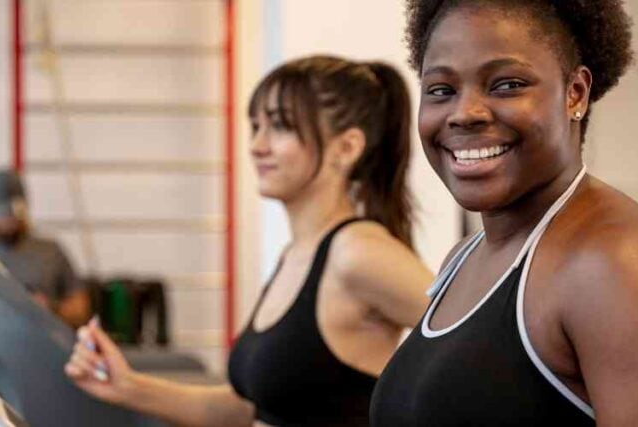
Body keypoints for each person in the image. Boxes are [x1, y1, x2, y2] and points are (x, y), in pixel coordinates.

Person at [369, 1, 638, 425]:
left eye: (506, 84)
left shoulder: (622, 265)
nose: (465, 113)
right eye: (441, 90)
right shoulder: (464, 258)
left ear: (575, 92)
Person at [65, 56, 434, 426]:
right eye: (255, 126)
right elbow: (248, 410)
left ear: (347, 147)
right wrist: (127, 386)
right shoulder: (296, 255)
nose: (257, 145)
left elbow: (476, 349)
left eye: (280, 126)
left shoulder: (358, 253)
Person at [0, 167, 91, 328]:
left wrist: (51, 308)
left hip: (43, 342)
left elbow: (81, 310)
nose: (11, 220)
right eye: (5, 213)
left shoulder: (50, 252)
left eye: (16, 212)